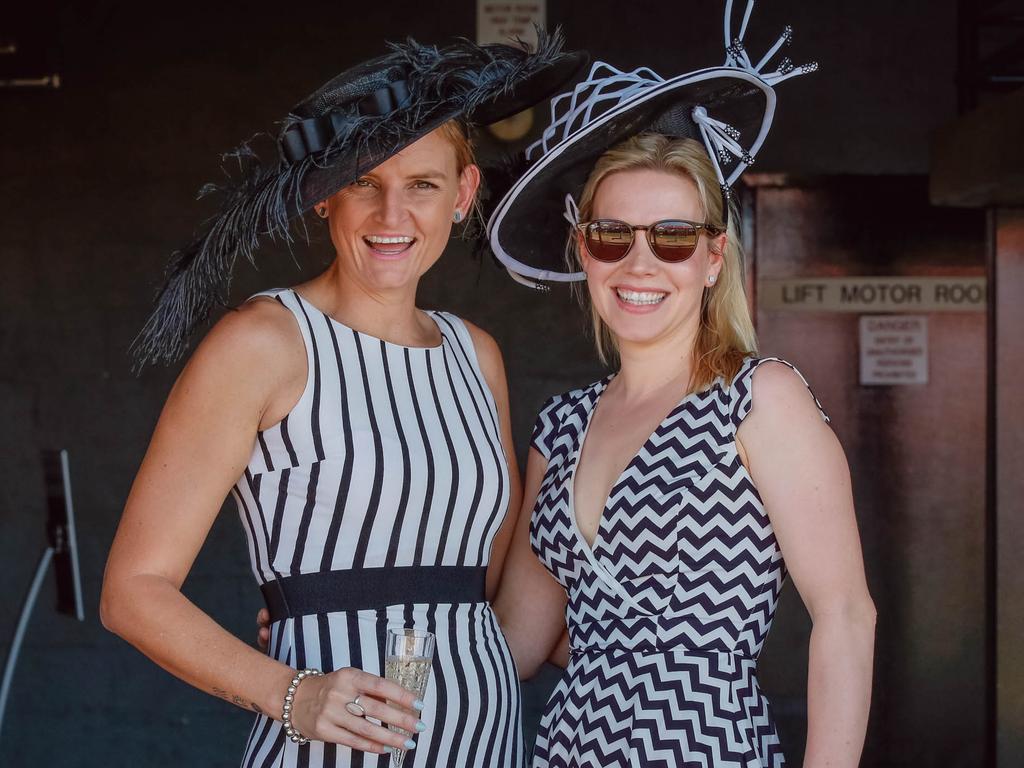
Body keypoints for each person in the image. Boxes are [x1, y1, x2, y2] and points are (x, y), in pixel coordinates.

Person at [100, 35, 582, 767]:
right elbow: (133, 591)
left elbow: (489, 588)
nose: (392, 214)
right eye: (364, 181)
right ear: (323, 190)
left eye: (422, 184)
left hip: (485, 744)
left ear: (463, 194)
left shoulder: (474, 353)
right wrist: (290, 690)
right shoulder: (263, 344)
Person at [486, 5, 875, 767]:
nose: (641, 264)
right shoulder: (561, 427)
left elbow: (846, 618)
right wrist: (356, 631)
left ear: (713, 257)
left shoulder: (759, 399)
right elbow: (517, 644)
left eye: (672, 238)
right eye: (611, 236)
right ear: (583, 251)